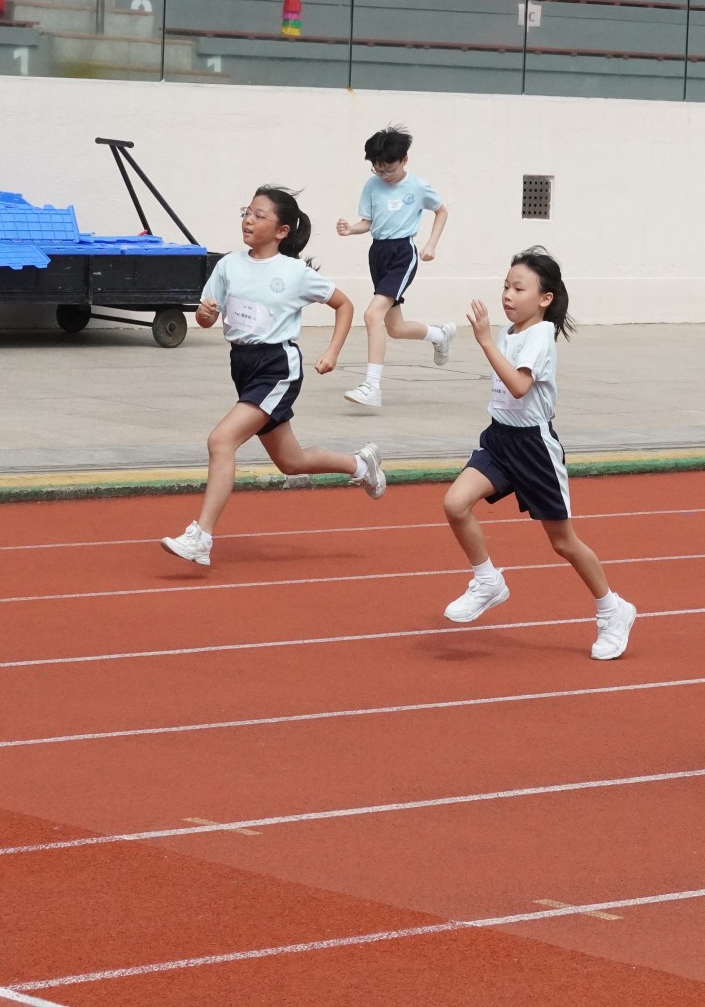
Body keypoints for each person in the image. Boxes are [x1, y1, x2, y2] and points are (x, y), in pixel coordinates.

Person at [162, 187, 386, 567]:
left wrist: (332, 351)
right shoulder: (228, 266)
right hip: (242, 363)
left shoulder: (294, 273)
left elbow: (344, 304)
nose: (248, 220)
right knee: (291, 462)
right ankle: (361, 465)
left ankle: (201, 537)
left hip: (277, 366)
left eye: (259, 215)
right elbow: (205, 317)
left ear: (282, 231)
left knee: (221, 441)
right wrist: (205, 314)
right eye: (246, 212)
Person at [440, 248, 638, 661]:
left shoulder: (540, 337)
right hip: (500, 439)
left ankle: (612, 609)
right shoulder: (509, 333)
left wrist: (483, 341)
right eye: (505, 287)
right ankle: (487, 581)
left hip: (534, 448)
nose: (508, 295)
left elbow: (518, 387)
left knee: (563, 542)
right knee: (455, 503)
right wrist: (492, 340)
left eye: (519, 288)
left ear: (545, 299)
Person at [335, 125, 453, 408]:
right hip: (378, 253)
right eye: (378, 170)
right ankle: (440, 335)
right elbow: (368, 222)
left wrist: (431, 245)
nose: (384, 175)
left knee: (372, 314)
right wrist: (351, 229)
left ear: (404, 160)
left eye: (389, 170)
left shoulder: (418, 187)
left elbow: (441, 211)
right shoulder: (371, 185)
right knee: (395, 328)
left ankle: (372, 386)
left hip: (403, 254)